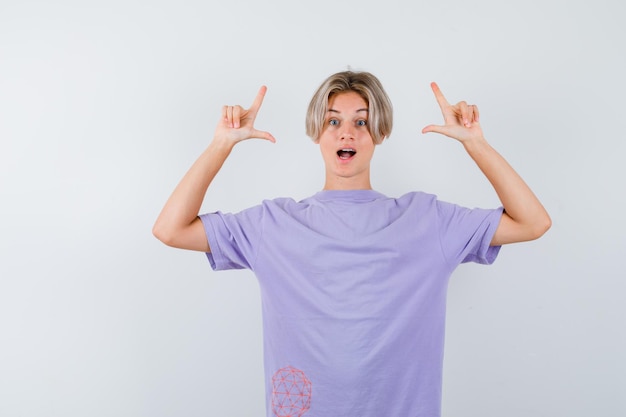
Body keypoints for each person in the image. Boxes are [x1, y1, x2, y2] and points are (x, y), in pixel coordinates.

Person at [153, 70, 551, 417]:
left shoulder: (427, 221)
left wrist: (475, 143)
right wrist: (221, 144)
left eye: (361, 122)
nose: (346, 132)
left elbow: (533, 222)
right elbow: (170, 230)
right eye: (332, 121)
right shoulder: (272, 225)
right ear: (316, 133)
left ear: (380, 132)